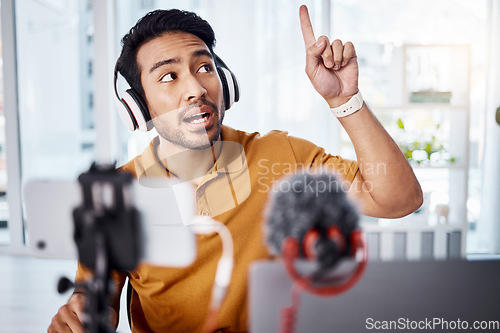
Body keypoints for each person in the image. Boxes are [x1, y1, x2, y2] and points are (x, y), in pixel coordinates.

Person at [48, 5, 422, 333]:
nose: (196, 88)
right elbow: (98, 298)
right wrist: (82, 314)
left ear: (225, 80)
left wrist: (345, 100)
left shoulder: (281, 155)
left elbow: (397, 200)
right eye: (168, 76)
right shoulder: (118, 194)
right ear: (138, 106)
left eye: (204, 67)